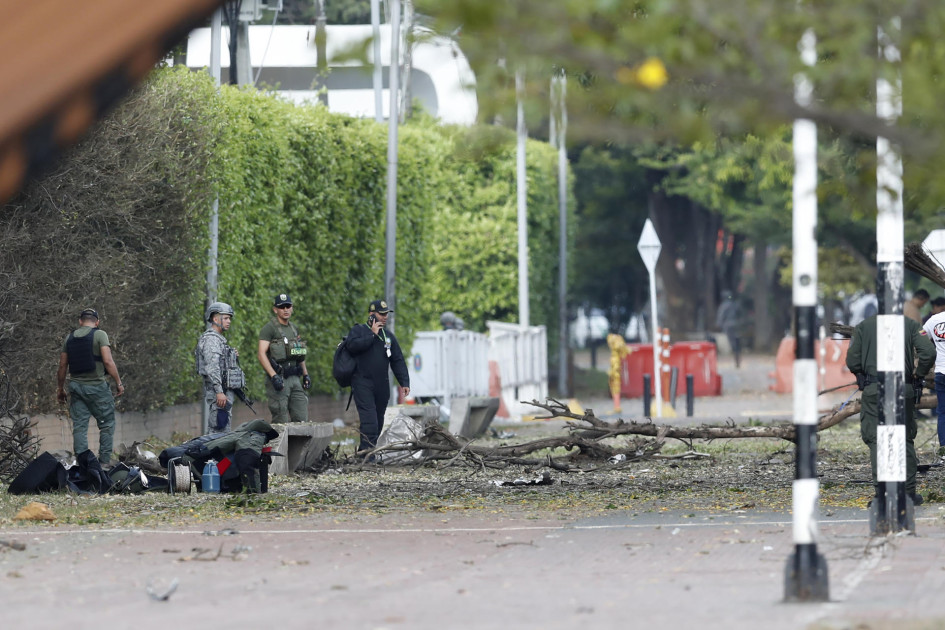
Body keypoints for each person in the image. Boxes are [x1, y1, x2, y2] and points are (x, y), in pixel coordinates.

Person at [846, 313, 934, 504]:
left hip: (874, 389)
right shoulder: (910, 324)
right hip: (904, 388)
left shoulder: (863, 326)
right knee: (905, 437)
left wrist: (860, 374)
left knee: (878, 439)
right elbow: (928, 352)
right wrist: (919, 375)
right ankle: (909, 492)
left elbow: (852, 360)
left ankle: (883, 494)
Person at [56, 308, 124, 465]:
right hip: (97, 388)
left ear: (80, 321)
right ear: (97, 322)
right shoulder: (100, 334)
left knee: (79, 427)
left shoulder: (69, 338)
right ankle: (104, 464)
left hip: (76, 388)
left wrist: (60, 389)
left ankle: (84, 466)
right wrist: (118, 383)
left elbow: (62, 366)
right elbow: (108, 361)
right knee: (106, 425)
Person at [346, 299, 410, 457]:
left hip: (381, 385)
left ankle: (366, 451)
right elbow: (352, 347)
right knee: (370, 422)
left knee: (378, 421)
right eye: (381, 314)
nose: (385, 317)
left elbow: (397, 360)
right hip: (362, 383)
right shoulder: (359, 331)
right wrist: (372, 334)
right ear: (371, 314)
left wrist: (404, 382)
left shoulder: (388, 337)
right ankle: (368, 456)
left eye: (386, 314)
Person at [257, 293, 310, 423]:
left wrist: (305, 374)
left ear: (292, 308)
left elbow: (299, 354)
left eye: (288, 306)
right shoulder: (269, 329)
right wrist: (273, 376)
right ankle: (279, 444)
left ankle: (297, 444)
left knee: (301, 417)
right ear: (275, 309)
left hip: (295, 378)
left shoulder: (294, 329)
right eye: (282, 307)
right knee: (281, 419)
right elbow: (261, 354)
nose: (285, 309)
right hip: (279, 379)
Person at [197, 301, 245, 432]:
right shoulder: (211, 340)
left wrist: (231, 356)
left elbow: (221, 364)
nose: (229, 321)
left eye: (229, 318)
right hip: (219, 392)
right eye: (226, 318)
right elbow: (212, 367)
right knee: (218, 430)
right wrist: (219, 391)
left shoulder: (219, 340)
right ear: (215, 318)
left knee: (222, 429)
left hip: (223, 392)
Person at [923, 305, 945, 455]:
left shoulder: (934, 320)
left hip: (941, 373)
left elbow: (920, 337)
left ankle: (944, 451)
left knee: (943, 413)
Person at [715, 291, 741, 368]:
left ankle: (735, 359)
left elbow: (721, 316)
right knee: (736, 343)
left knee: (731, 343)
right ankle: (737, 359)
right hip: (735, 324)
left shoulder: (724, 306)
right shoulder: (734, 304)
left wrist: (718, 325)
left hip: (728, 326)